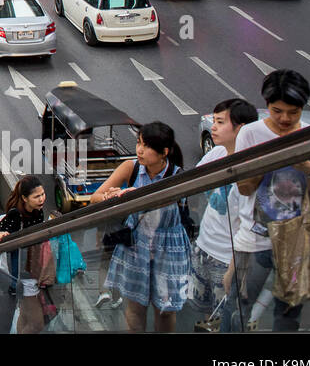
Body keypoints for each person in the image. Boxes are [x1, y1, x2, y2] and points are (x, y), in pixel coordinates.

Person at [221, 69, 310, 333]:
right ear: (267, 105)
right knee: (237, 307)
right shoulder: (251, 134)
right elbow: (244, 189)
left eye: (293, 112)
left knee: (289, 314)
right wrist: (269, 159)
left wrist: (307, 168)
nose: (285, 119)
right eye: (277, 111)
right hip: (254, 240)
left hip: (296, 243)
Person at [91, 121, 192, 332]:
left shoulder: (178, 175)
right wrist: (113, 196)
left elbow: (165, 200)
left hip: (168, 248)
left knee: (165, 310)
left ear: (164, 152)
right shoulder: (131, 167)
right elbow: (95, 197)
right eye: (138, 143)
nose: (139, 150)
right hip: (137, 245)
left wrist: (131, 195)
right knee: (135, 307)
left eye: (146, 146)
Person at [187, 98, 258, 330]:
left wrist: (234, 269)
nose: (213, 127)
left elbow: (250, 224)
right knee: (206, 317)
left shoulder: (252, 169)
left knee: (228, 321)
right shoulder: (217, 153)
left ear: (240, 128)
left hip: (228, 259)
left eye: (220, 122)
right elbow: (188, 184)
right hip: (204, 248)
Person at [0, 175, 46, 334]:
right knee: (37, 323)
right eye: (37, 196)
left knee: (25, 317)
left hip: (32, 268)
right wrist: (0, 235)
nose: (41, 199)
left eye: (42, 194)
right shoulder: (15, 214)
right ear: (25, 198)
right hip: (21, 274)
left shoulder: (38, 212)